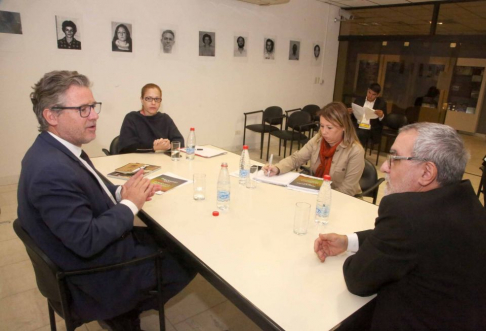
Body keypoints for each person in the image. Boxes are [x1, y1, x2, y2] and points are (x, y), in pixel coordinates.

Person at [18, 71, 195, 330]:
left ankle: (123, 312)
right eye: (83, 109)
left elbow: (88, 193)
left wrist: (121, 193)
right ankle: (122, 311)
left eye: (93, 106)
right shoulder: (51, 170)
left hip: (87, 252)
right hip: (92, 277)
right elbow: (87, 241)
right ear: (51, 115)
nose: (94, 115)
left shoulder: (56, 149)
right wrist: (131, 204)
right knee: (187, 257)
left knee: (168, 237)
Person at [314, 122, 486, 330]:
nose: (384, 167)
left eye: (394, 158)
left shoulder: (406, 213)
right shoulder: (467, 202)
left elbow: (357, 279)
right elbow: (410, 239)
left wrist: (365, 255)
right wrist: (348, 241)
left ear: (426, 173)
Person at [263, 102, 365, 196]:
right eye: (321, 126)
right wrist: (277, 168)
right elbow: (296, 158)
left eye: (329, 128)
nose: (324, 132)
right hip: (318, 191)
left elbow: (348, 189)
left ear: (344, 127)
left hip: (341, 199)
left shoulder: (355, 151)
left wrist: (322, 197)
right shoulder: (318, 139)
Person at [118, 83, 184, 153]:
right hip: (137, 162)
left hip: (162, 162)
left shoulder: (165, 119)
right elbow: (127, 147)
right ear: (142, 100)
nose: (153, 102)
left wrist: (169, 145)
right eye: (148, 98)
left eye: (157, 99)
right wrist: (153, 147)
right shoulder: (132, 118)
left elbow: (180, 142)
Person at [349, 82, 387, 148]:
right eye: (369, 92)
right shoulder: (359, 100)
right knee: (346, 130)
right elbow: (352, 116)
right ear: (367, 90)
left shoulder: (381, 103)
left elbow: (385, 121)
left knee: (361, 133)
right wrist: (350, 113)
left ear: (377, 95)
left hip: (371, 128)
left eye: (373, 94)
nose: (370, 96)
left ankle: (357, 154)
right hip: (358, 125)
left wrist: (381, 116)